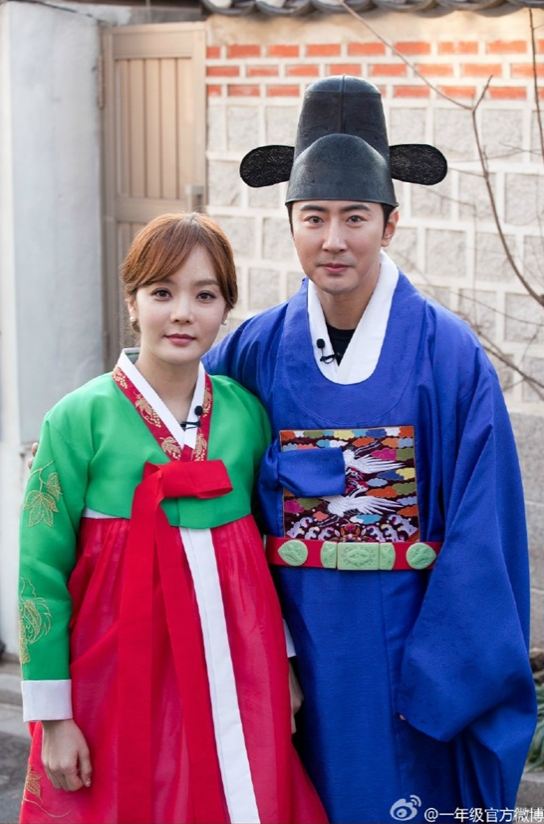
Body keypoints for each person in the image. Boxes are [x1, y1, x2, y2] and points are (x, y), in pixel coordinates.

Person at [204, 76, 537, 823]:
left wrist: (444, 677)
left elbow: (485, 533)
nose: (334, 239)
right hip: (287, 654)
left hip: (410, 660)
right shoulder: (252, 351)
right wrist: (258, 652)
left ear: (389, 225)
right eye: (314, 216)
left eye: (355, 216)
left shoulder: (447, 355)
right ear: (290, 224)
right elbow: (208, 497)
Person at [18, 213, 328, 824]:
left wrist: (283, 665)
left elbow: (263, 552)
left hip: (236, 664)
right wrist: (53, 716)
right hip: (116, 672)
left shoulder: (245, 415)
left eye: (205, 295)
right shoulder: (78, 419)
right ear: (132, 301)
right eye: (162, 292)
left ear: (226, 307)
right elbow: (40, 572)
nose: (183, 313)